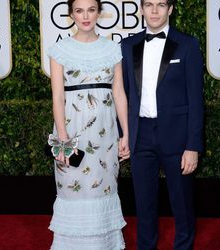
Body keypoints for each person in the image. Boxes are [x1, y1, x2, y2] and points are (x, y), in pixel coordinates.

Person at [47, 0, 130, 249]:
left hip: (105, 134)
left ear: (99, 13)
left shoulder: (113, 48)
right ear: (71, 14)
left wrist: (125, 133)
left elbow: (119, 93)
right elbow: (58, 97)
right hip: (71, 132)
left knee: (102, 188)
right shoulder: (59, 50)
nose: (86, 16)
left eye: (91, 10)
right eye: (79, 10)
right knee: (73, 188)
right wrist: (63, 137)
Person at [121, 0, 204, 249]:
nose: (154, 10)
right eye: (149, 5)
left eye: (160, 5)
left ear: (170, 9)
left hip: (177, 138)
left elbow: (196, 99)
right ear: (142, 9)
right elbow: (122, 94)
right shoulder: (127, 45)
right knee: (144, 204)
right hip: (140, 135)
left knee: (182, 203)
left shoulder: (188, 45)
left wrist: (193, 145)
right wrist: (123, 135)